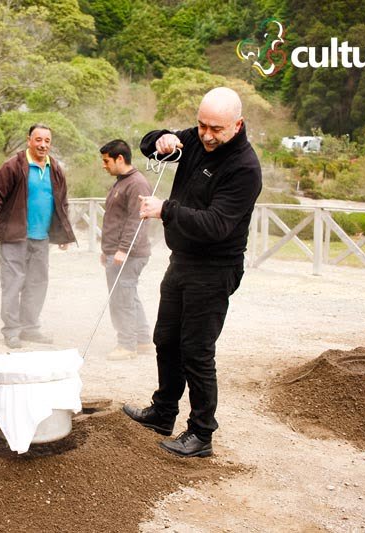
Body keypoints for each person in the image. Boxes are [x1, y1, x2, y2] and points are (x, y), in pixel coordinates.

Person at [122, 87, 262, 458]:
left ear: (237, 125)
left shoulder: (245, 168)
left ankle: (201, 433)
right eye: (201, 125)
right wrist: (162, 139)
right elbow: (148, 147)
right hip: (182, 259)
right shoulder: (196, 139)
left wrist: (165, 210)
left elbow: (217, 225)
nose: (206, 135)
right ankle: (163, 412)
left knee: (196, 350)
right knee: (166, 339)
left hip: (216, 267)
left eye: (216, 129)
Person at [0, 124, 76, 349]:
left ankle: (30, 328)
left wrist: (63, 234)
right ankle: (12, 331)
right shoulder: (13, 165)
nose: (43, 145)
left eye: (47, 141)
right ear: (29, 140)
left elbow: (62, 202)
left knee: (37, 284)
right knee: (13, 283)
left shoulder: (55, 168)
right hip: (15, 236)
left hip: (42, 238)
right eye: (38, 140)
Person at [99, 140, 154, 360]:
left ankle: (127, 345)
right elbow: (115, 219)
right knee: (128, 296)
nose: (104, 165)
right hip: (117, 252)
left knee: (121, 299)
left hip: (129, 254)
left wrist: (123, 249)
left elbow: (136, 220)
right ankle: (143, 341)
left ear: (119, 158)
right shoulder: (122, 182)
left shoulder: (137, 183)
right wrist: (107, 249)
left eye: (106, 161)